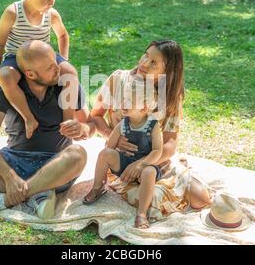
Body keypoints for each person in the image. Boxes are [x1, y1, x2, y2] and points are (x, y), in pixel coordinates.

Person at [0, 40, 95, 218]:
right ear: (31, 74)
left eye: (56, 62)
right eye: (50, 67)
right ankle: (38, 193)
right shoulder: (9, 90)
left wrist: (81, 127)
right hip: (15, 160)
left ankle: (4, 200)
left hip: (57, 164)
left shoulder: (67, 85)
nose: (58, 69)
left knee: (78, 154)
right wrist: (9, 175)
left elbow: (91, 127)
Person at [91, 40, 212, 211]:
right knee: (151, 203)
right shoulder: (119, 79)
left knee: (201, 199)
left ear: (167, 71)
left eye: (154, 62)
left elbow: (170, 144)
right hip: (121, 160)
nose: (144, 63)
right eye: (146, 55)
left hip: (154, 160)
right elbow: (95, 116)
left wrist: (143, 164)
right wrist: (113, 138)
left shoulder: (170, 96)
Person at [0, 0, 77, 140]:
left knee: (71, 73)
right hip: (16, 56)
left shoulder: (51, 14)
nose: (51, 3)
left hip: (44, 56)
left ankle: (68, 123)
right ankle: (29, 119)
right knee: (5, 76)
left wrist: (63, 60)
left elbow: (63, 35)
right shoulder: (12, 12)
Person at [84, 79, 163, 229]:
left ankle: (141, 213)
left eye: (129, 101)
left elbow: (157, 151)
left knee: (149, 172)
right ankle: (97, 187)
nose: (122, 104)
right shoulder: (123, 124)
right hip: (124, 164)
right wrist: (114, 145)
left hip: (144, 166)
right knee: (105, 153)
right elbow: (109, 146)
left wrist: (140, 164)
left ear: (144, 107)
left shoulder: (153, 125)